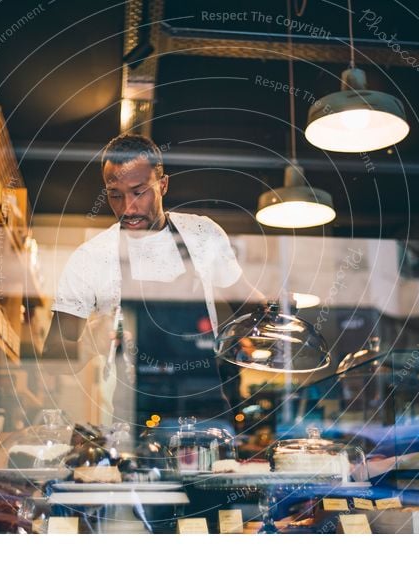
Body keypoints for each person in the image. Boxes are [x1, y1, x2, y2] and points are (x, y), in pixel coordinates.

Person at [47, 134, 261, 425]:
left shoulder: (202, 234)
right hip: (131, 423)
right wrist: (92, 339)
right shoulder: (90, 257)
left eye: (139, 192)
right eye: (115, 194)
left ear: (162, 185)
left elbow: (249, 306)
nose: (128, 208)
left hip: (207, 417)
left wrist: (276, 309)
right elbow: (53, 358)